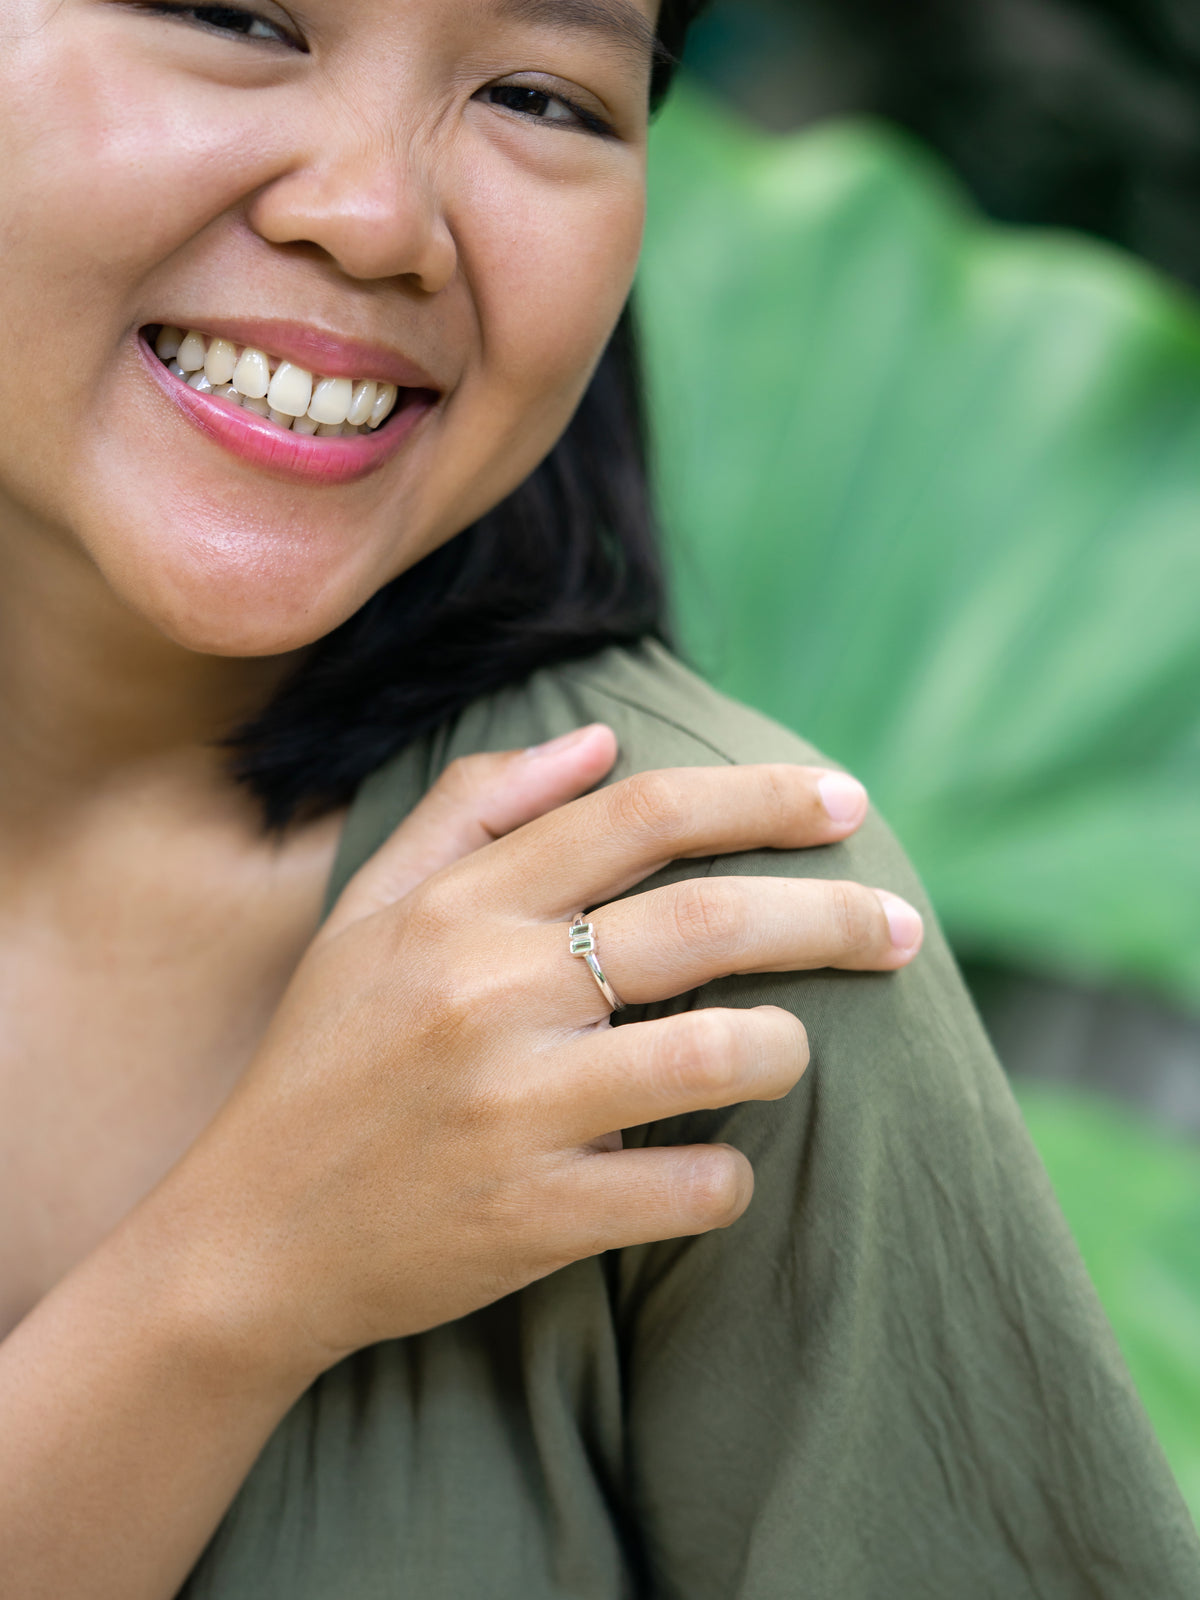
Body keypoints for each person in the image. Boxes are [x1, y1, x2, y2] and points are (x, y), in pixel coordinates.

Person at [0, 2, 1195, 1596]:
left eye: (542, 95)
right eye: (233, 17)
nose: (372, 218)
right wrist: (235, 1276)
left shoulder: (698, 955)